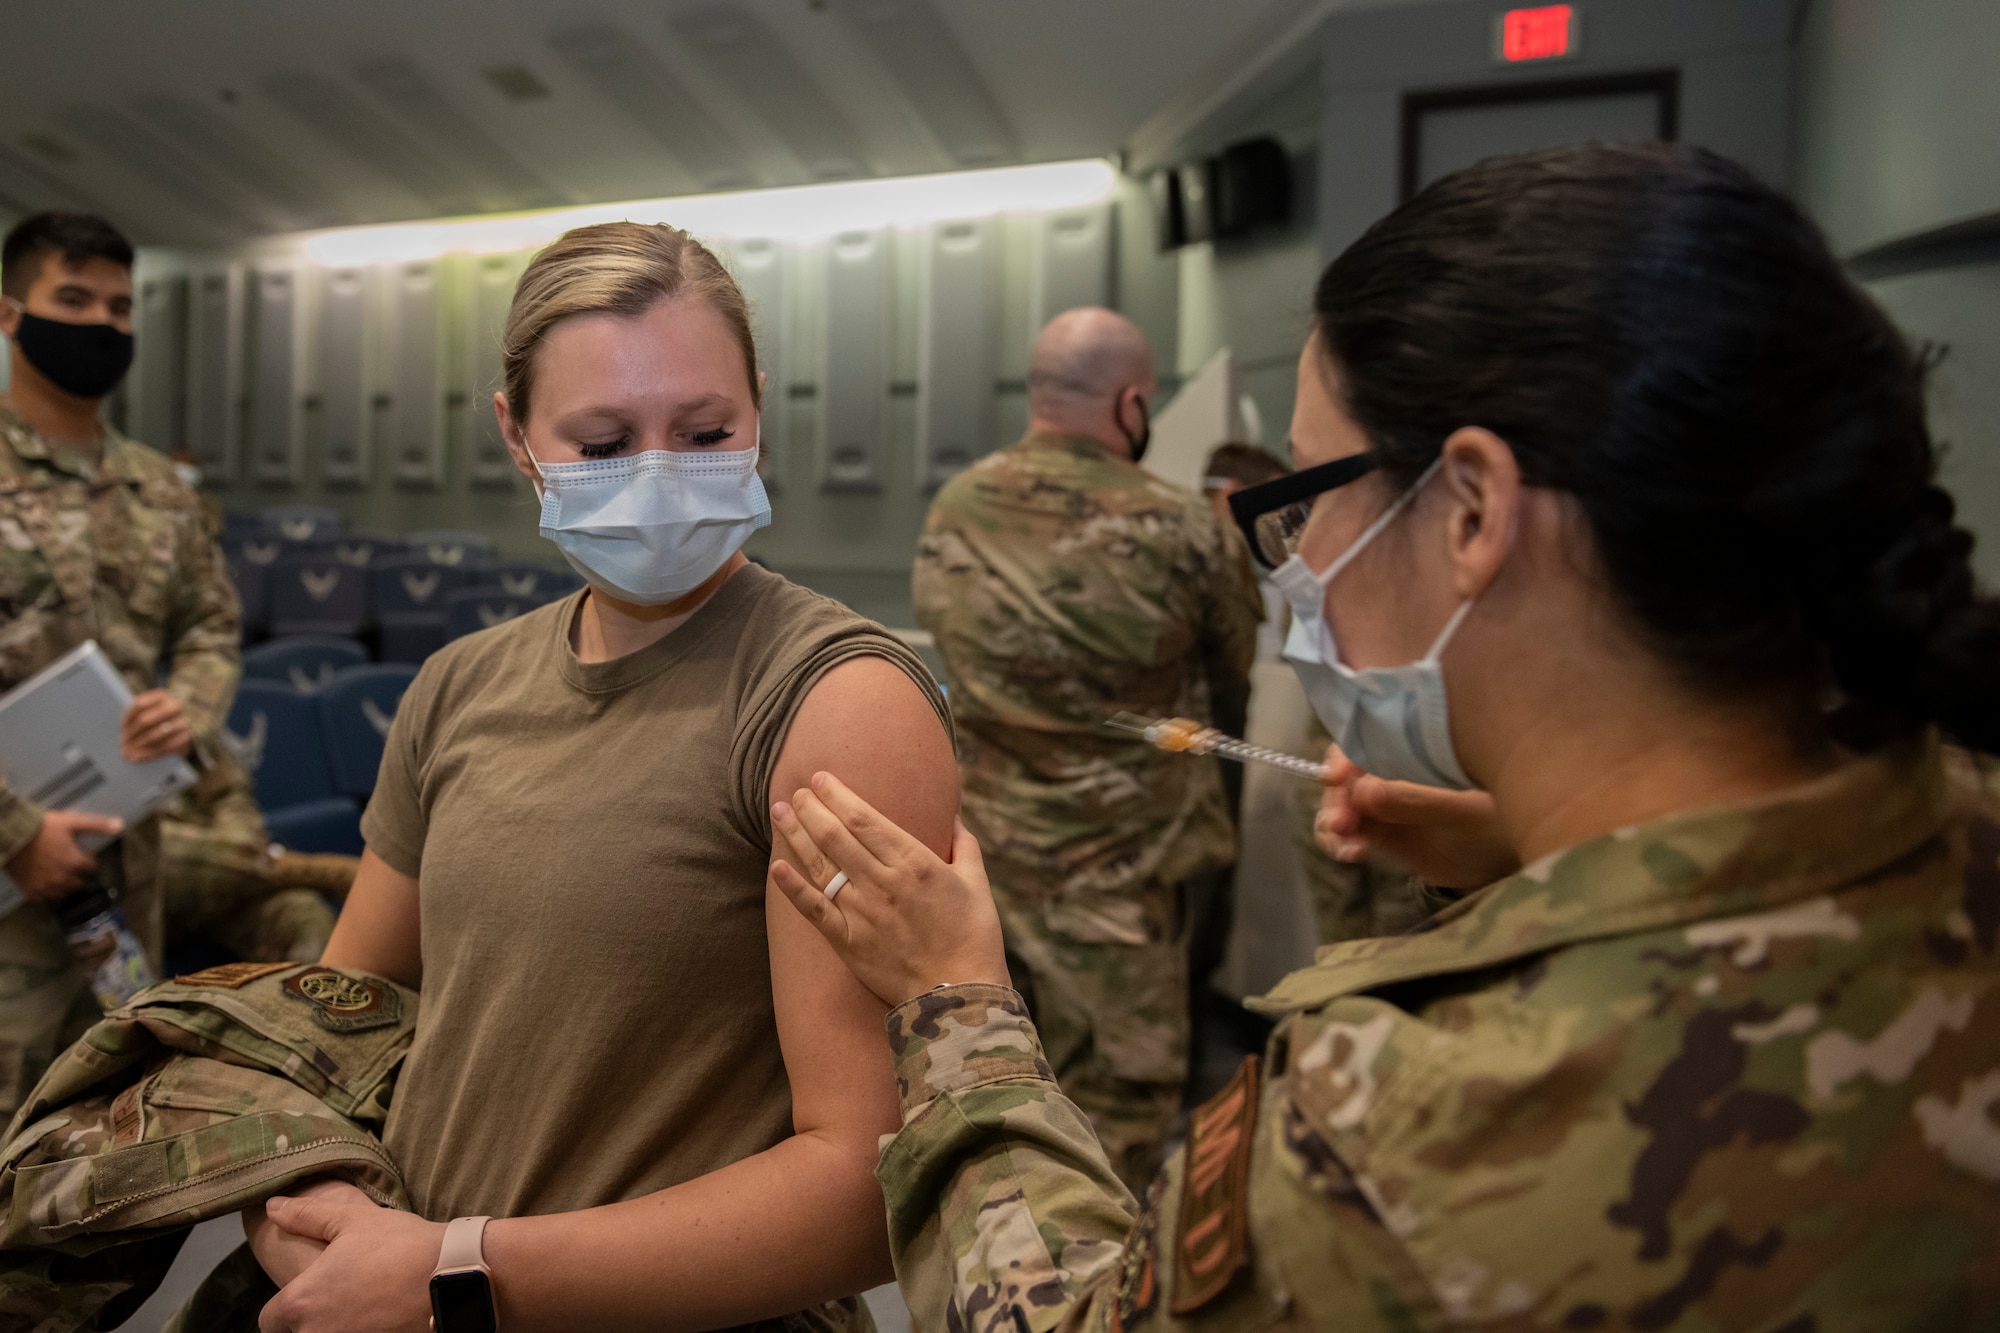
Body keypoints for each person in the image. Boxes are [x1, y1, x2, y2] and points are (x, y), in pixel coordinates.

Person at [767, 144, 2000, 1331]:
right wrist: (1534, 841)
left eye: (1303, 498)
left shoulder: (1409, 1125)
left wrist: (954, 1007)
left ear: (1471, 508)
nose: (1297, 563)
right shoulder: (1955, 820)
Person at [240, 221, 958, 1333]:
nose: (661, 475)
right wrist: (308, 1201)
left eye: (706, 429)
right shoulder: (458, 684)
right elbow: (338, 1020)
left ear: (758, 412)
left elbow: (868, 1183)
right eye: (605, 441)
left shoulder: (833, 697)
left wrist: (458, 1272)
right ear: (516, 437)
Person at [913, 308, 1261, 1189]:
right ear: (1134, 402)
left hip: (986, 866)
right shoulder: (1182, 524)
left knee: (997, 1074)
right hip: (1124, 875)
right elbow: (1236, 662)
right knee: (1123, 1099)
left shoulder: (956, 505)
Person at [0, 211, 241, 1118]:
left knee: (106, 1110)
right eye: (73, 298)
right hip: (9, 873)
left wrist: (190, 711)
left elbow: (212, 626)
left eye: (118, 306)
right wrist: (16, 831)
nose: (102, 323)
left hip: (124, 853)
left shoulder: (158, 491)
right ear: (10, 314)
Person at [159, 750, 342, 966]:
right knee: (158, 854)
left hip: (235, 888)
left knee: (307, 918)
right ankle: (320, 872)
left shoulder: (185, 734)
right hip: (148, 898)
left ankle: (313, 999)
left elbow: (233, 798)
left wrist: (240, 840)